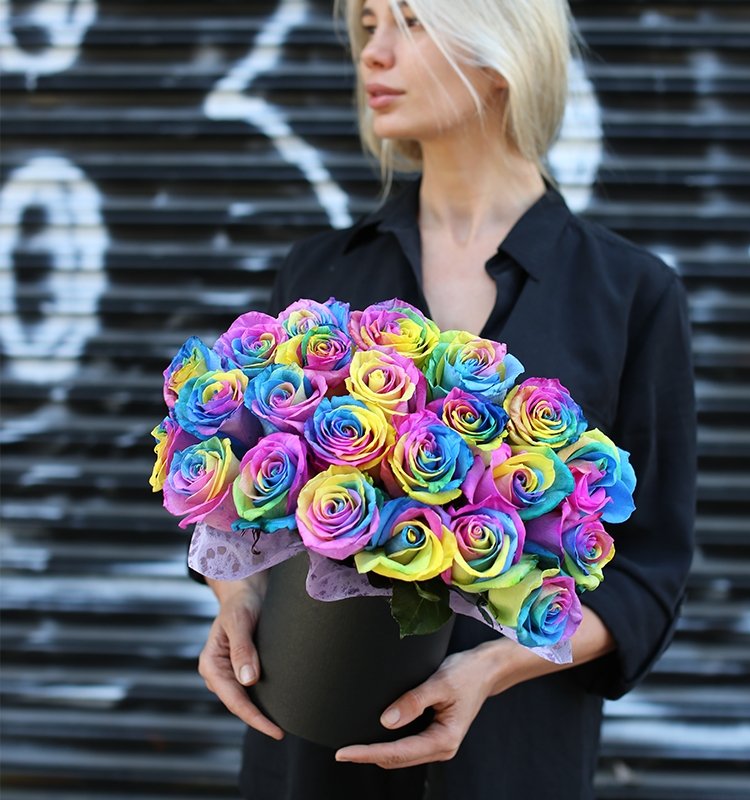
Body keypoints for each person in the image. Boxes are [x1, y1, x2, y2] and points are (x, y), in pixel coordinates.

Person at [195, 0, 697, 798]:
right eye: (368, 25)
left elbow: (650, 575)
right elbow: (238, 500)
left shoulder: (632, 295)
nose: (374, 53)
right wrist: (237, 597)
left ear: (500, 50)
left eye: (410, 22)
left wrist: (492, 667)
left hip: (510, 758)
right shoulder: (319, 280)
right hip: (311, 738)